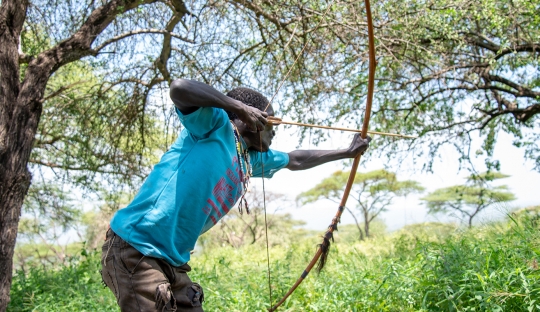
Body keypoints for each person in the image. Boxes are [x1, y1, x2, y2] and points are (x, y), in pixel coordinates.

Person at [100, 79, 371, 312]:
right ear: (250, 118)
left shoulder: (248, 158)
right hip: (137, 246)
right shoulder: (213, 125)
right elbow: (179, 88)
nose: (274, 130)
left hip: (173, 260)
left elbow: (296, 160)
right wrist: (236, 106)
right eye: (270, 121)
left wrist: (346, 152)